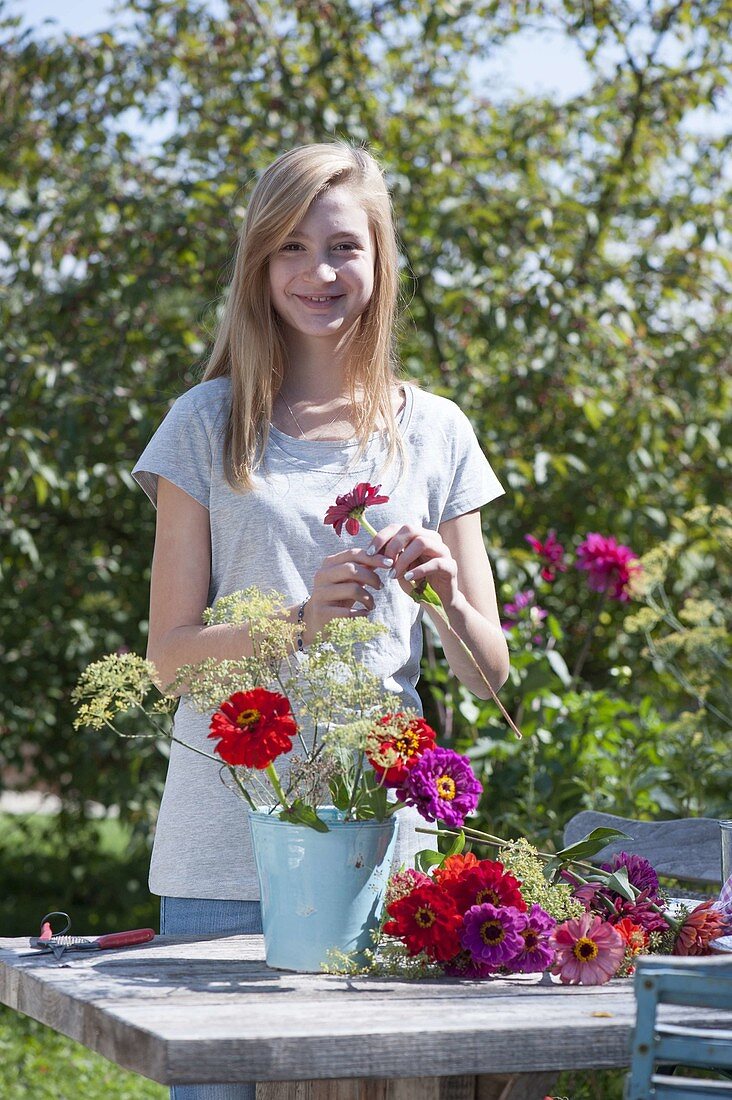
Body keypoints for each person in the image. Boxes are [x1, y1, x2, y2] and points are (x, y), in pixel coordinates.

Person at [132, 141, 509, 1100]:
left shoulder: (436, 430)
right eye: (291, 248)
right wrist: (295, 624)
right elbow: (170, 661)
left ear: (380, 261)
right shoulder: (204, 424)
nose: (318, 273)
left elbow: (488, 674)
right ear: (260, 264)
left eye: (343, 247)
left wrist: (446, 599)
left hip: (384, 857)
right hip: (224, 858)